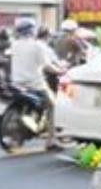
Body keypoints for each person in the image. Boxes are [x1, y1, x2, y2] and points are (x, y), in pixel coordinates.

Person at [9, 18, 62, 150]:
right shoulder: (36, 45)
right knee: (52, 104)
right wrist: (60, 71)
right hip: (35, 84)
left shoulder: (14, 45)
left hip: (17, 82)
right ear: (32, 31)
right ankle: (51, 140)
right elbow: (46, 66)